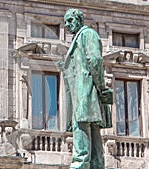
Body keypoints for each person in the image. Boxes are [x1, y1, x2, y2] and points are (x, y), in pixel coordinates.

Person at [57, 9, 112, 169]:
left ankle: (80, 163)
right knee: (92, 131)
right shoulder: (80, 38)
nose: (67, 25)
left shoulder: (88, 34)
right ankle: (96, 164)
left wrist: (101, 88)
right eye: (65, 22)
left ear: (79, 19)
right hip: (85, 91)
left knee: (81, 126)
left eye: (70, 20)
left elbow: (95, 60)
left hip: (85, 91)